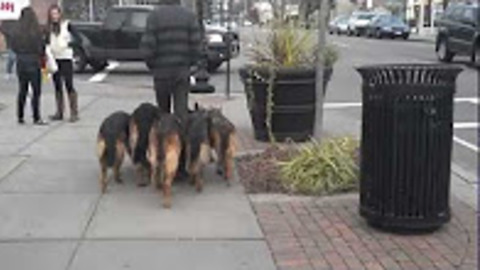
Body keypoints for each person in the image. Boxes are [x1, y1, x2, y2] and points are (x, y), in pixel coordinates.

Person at [141, 0, 202, 122]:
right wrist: (190, 64)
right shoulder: (189, 16)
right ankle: (180, 137)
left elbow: (148, 46)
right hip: (181, 71)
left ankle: (165, 138)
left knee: (163, 113)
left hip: (161, 72)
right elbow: (196, 45)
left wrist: (152, 65)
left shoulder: (154, 16)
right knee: (181, 112)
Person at [10, 7, 46, 125]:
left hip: (21, 61)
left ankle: (20, 116)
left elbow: (13, 47)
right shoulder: (36, 32)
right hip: (33, 61)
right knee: (36, 91)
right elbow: (41, 48)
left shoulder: (17, 32)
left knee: (22, 90)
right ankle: (36, 116)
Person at [45, 4, 80, 122]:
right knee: (57, 85)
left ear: (60, 14)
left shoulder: (67, 25)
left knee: (69, 84)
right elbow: (46, 41)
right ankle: (59, 111)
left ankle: (74, 112)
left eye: (56, 14)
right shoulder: (49, 27)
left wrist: (68, 44)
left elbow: (78, 39)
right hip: (54, 59)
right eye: (52, 14)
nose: (54, 16)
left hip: (66, 57)